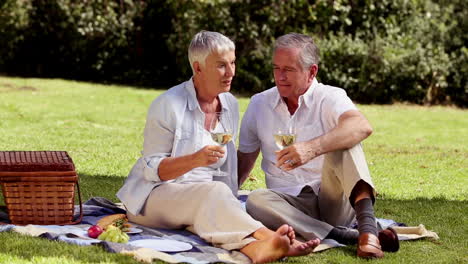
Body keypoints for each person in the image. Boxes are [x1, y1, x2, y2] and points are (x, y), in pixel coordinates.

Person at [117, 31, 319, 263]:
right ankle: (270, 237)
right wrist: (195, 160)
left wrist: (230, 203)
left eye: (232, 63)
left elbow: (228, 166)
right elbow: (151, 170)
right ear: (198, 68)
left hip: (201, 202)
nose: (231, 72)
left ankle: (257, 249)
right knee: (213, 194)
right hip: (152, 200)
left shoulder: (229, 104)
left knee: (213, 210)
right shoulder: (168, 105)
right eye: (221, 65)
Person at [238, 33, 399, 259]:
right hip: (288, 207)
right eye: (276, 68)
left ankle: (368, 231)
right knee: (255, 200)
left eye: (289, 69)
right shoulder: (259, 104)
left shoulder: (330, 97)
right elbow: (243, 163)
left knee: (346, 143)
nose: (280, 77)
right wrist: (218, 198)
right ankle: (349, 237)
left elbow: (362, 126)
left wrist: (311, 148)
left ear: (312, 71)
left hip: (331, 200)